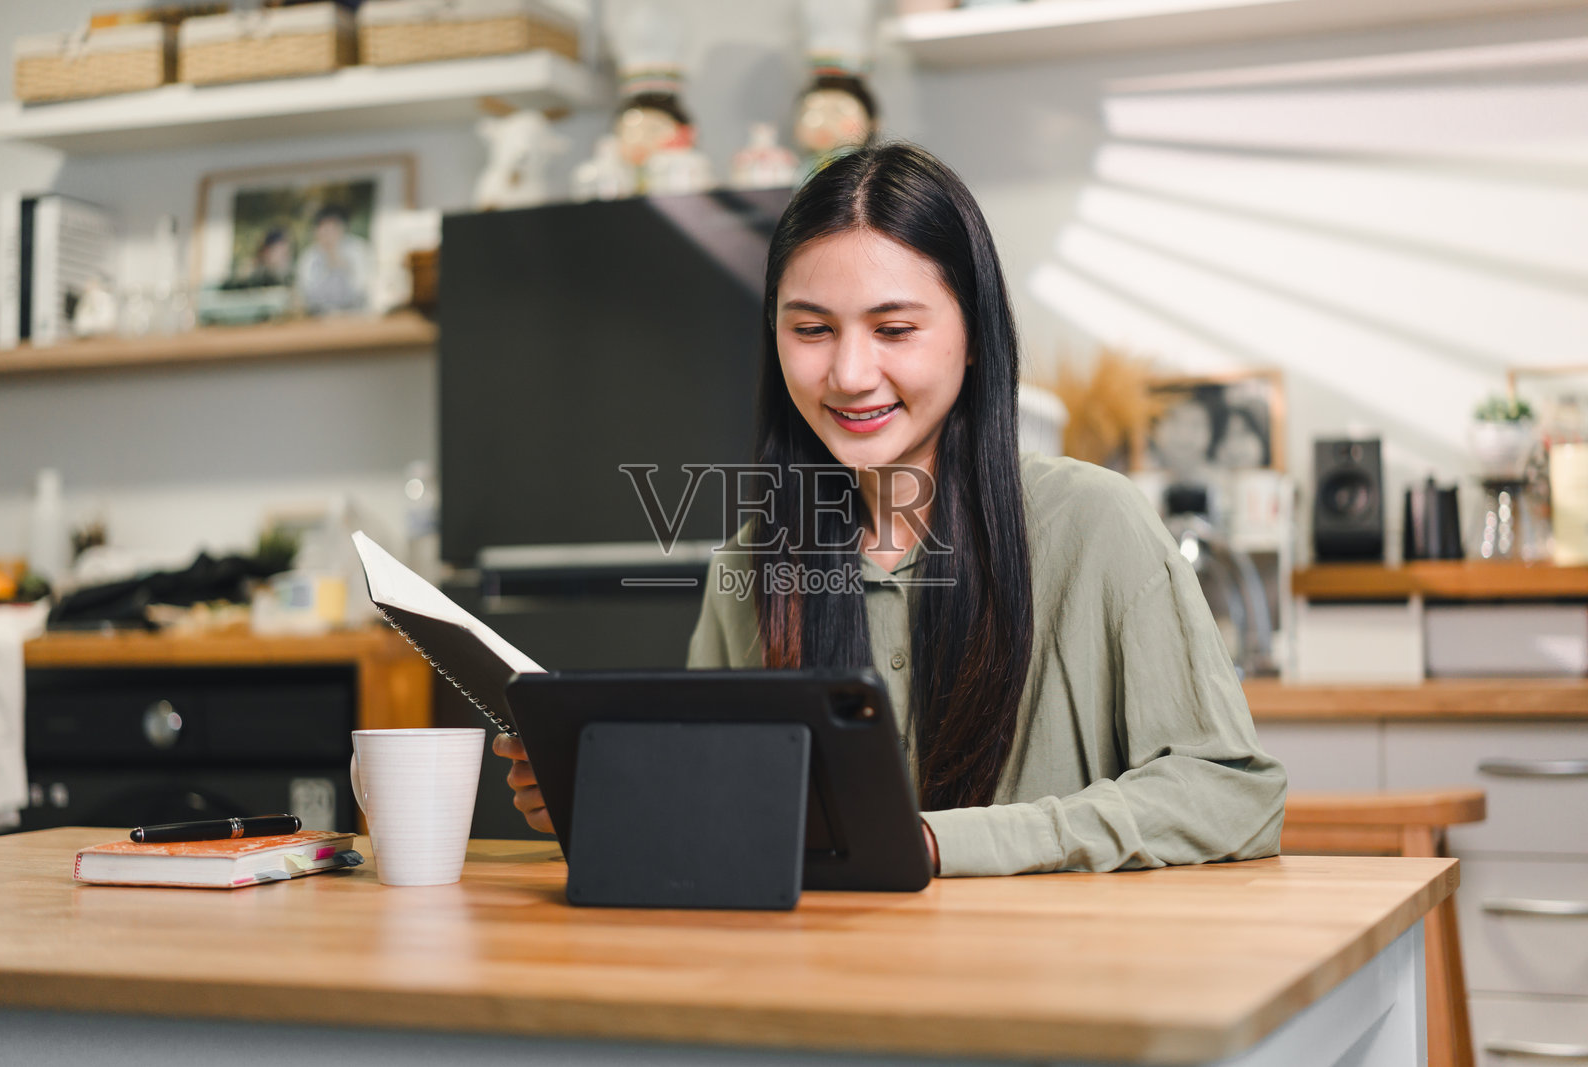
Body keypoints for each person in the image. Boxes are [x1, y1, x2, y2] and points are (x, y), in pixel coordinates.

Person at [496, 142, 1286, 877]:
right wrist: (599, 792)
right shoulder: (750, 563)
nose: (848, 372)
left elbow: (1232, 795)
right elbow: (737, 814)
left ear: (973, 335)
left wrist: (944, 841)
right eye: (811, 329)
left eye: (894, 328)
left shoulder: (1095, 525)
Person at [296, 203, 372, 314]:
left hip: (355, 316)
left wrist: (342, 265)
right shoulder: (309, 256)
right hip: (319, 319)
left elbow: (364, 288)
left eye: (332, 228)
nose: (327, 234)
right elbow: (305, 293)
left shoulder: (358, 250)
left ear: (342, 228)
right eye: (323, 228)